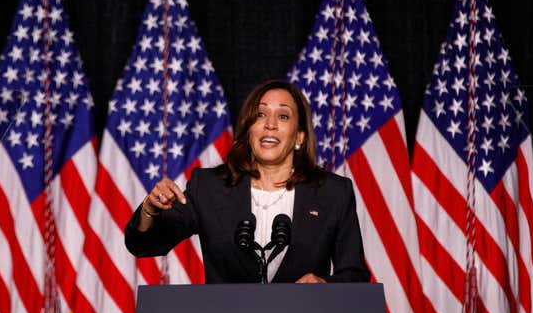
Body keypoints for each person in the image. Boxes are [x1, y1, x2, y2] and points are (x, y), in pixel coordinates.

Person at [124, 79, 370, 284]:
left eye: (283, 116)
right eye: (260, 114)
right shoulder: (209, 187)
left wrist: (324, 284)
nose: (270, 124)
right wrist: (149, 209)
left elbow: (355, 275)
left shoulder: (332, 192)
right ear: (249, 128)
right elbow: (145, 245)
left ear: (300, 137)